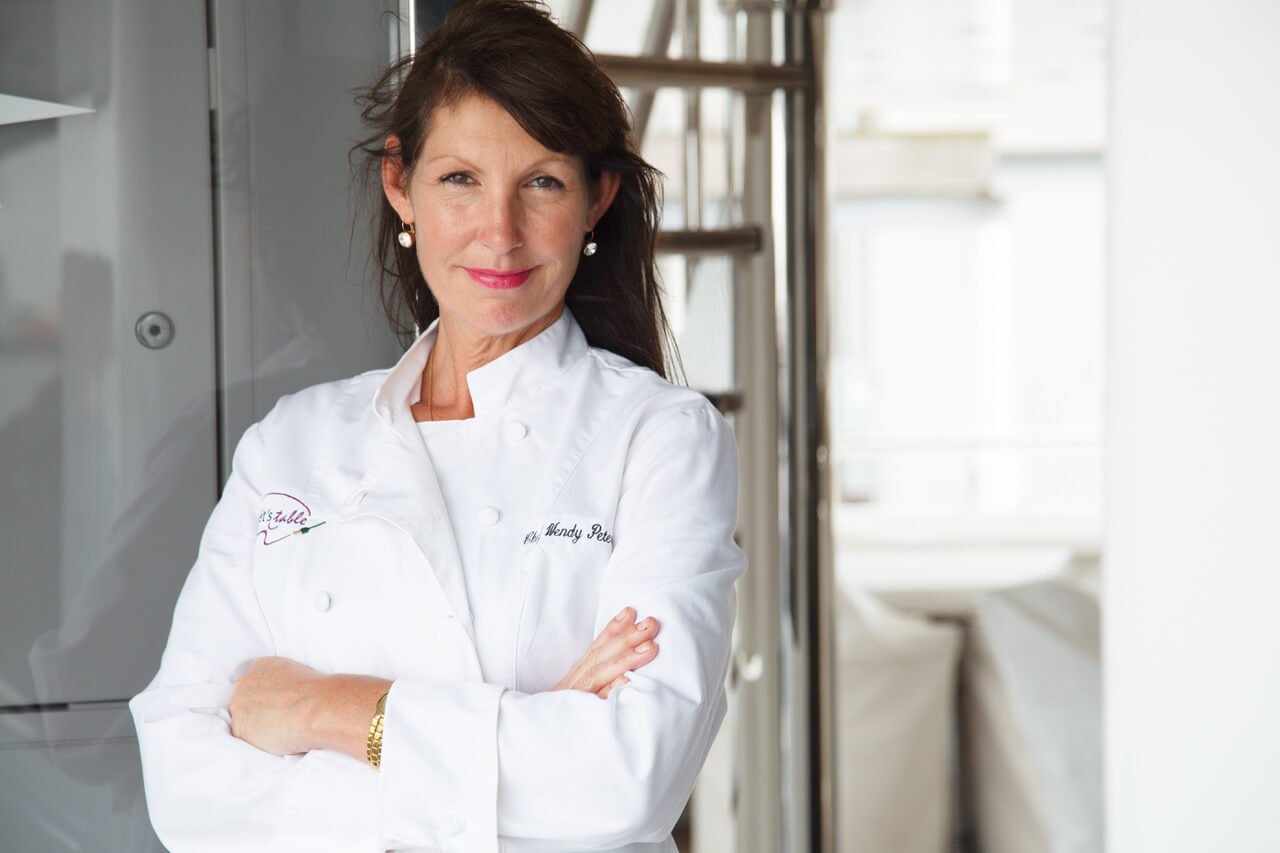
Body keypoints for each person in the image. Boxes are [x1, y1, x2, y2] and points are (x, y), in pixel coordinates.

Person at [128, 1, 746, 851]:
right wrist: (532, 733)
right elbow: (183, 782)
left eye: (543, 182)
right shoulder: (292, 443)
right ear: (400, 183)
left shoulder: (662, 438)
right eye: (460, 179)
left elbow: (625, 785)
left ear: (597, 200)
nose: (499, 232)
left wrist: (324, 709)